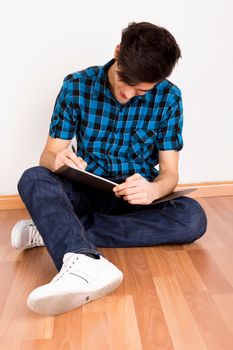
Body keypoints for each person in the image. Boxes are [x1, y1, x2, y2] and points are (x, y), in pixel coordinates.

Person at [11, 22, 207, 316]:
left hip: (134, 197)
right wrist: (58, 160)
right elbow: (48, 155)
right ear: (118, 52)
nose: (128, 94)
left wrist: (154, 189)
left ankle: (57, 229)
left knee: (193, 218)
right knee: (33, 178)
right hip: (85, 189)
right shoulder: (77, 86)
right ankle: (83, 259)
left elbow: (170, 174)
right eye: (125, 83)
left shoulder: (169, 98)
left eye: (141, 91)